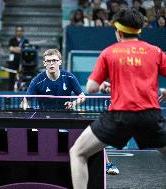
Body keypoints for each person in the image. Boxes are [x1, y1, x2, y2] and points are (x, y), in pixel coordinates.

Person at [69, 8, 166, 189]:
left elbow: (90, 87)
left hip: (119, 117)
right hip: (150, 116)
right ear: (138, 30)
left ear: (118, 32)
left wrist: (103, 84)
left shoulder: (109, 52)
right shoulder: (155, 51)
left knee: (78, 153)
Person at [22, 49, 119, 174]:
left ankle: (107, 165)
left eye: (54, 61)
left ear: (60, 62)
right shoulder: (38, 80)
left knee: (95, 132)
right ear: (44, 63)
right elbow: (25, 100)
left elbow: (82, 96)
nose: (52, 63)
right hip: (44, 117)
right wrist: (25, 108)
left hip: (66, 116)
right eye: (48, 61)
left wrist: (73, 103)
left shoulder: (68, 77)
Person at [8, 26, 29, 91]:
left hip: (22, 60)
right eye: (17, 31)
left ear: (22, 32)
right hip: (13, 60)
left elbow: (25, 50)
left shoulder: (25, 40)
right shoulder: (12, 40)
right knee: (11, 76)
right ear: (15, 32)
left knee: (22, 76)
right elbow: (11, 49)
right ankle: (10, 91)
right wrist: (19, 49)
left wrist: (15, 49)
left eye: (20, 31)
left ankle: (21, 90)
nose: (19, 32)